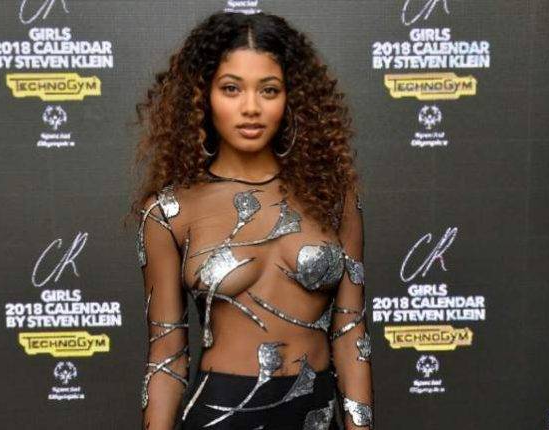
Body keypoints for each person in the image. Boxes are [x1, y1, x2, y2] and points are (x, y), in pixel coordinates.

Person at [130, 10, 373, 430]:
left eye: (269, 90)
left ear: (291, 98)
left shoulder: (334, 198)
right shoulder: (168, 211)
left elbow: (351, 334)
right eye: (231, 88)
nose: (250, 108)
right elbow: (166, 358)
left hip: (314, 416)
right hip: (218, 416)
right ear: (203, 96)